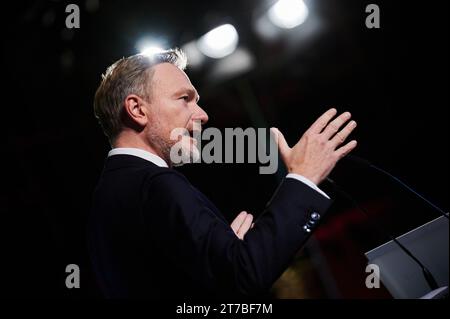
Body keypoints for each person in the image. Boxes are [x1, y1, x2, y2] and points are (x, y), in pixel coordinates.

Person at [88, 49, 357, 298]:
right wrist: (303, 179)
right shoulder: (155, 183)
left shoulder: (107, 195)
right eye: (184, 99)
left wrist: (221, 259)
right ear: (137, 110)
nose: (203, 115)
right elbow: (244, 276)